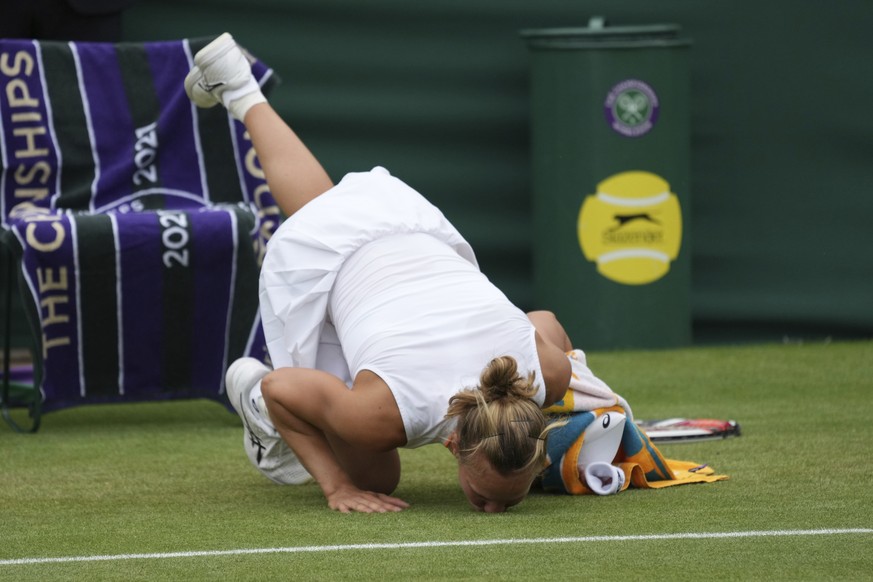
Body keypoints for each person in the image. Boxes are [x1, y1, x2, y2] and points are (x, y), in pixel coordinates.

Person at [185, 33, 574, 514]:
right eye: (492, 497)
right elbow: (279, 385)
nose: (494, 511)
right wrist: (336, 488)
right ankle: (258, 413)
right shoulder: (380, 414)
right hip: (345, 272)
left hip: (411, 230)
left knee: (318, 205)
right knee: (376, 476)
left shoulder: (549, 375)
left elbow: (546, 323)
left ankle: (239, 86)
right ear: (455, 447)